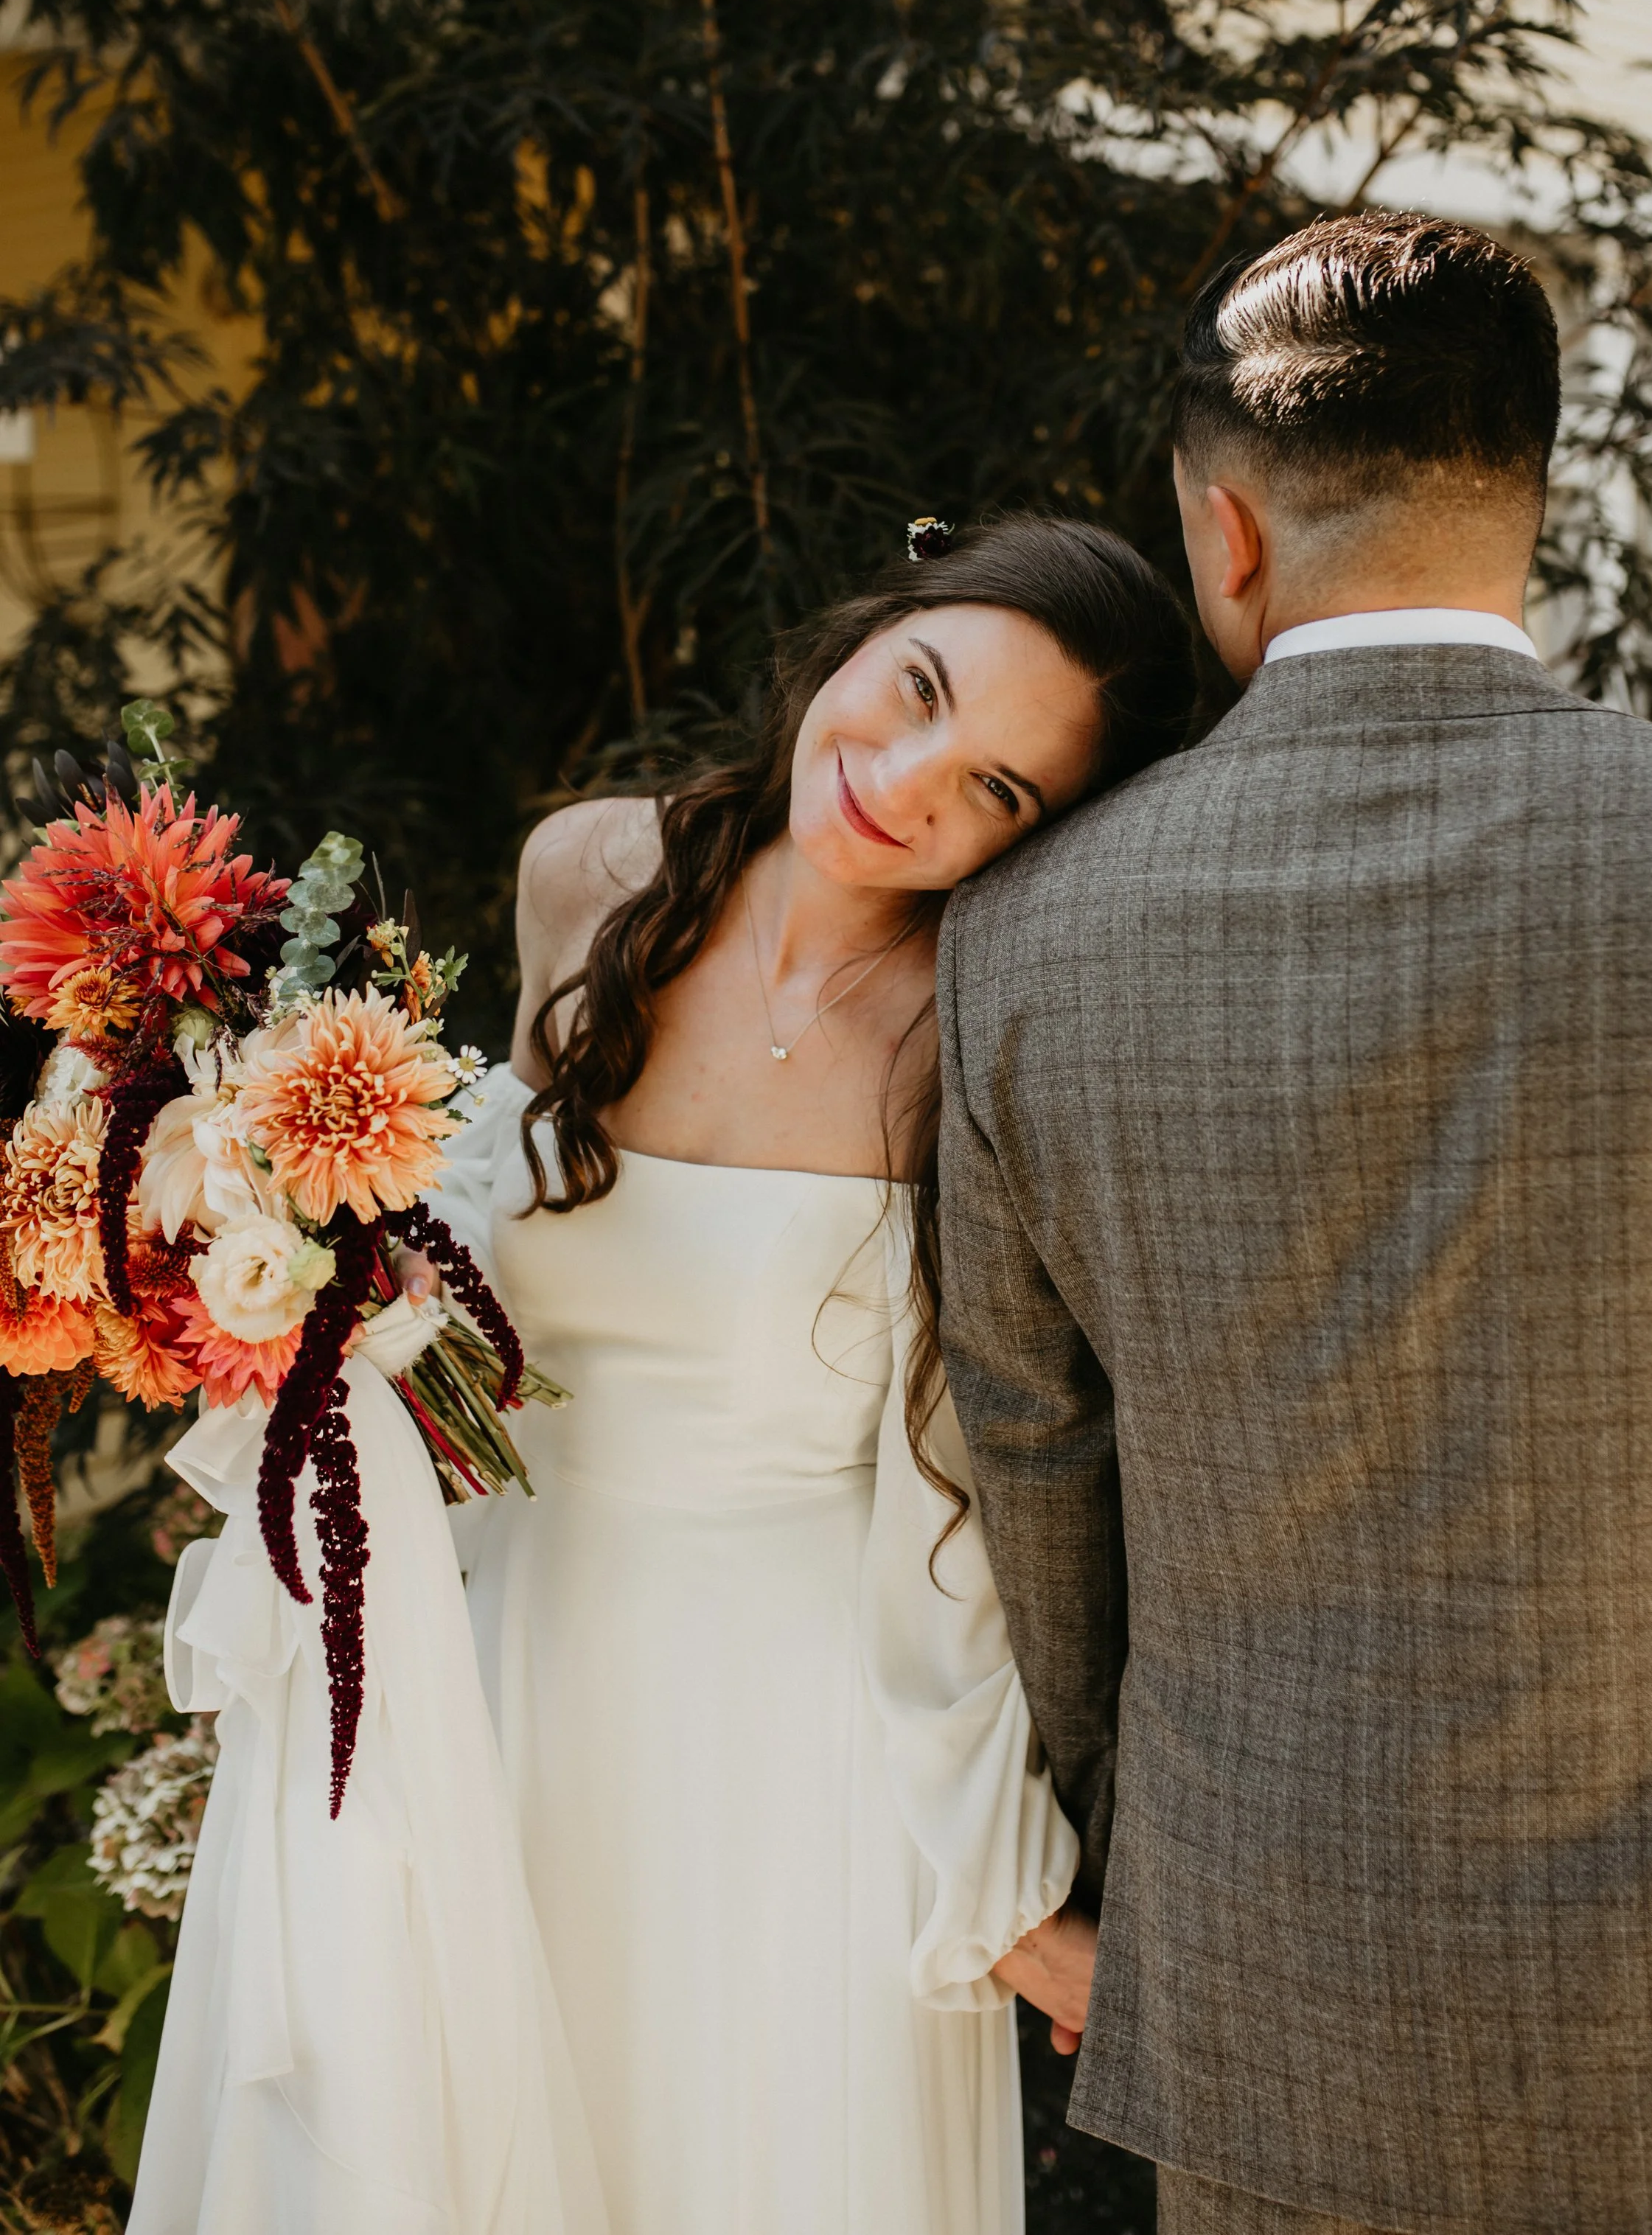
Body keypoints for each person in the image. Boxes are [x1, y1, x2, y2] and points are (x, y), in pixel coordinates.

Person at [937, 212, 1652, 2233]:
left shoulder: (1022, 937)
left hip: (1265, 1989)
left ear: (1223, 532)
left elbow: (1035, 1471)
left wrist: (1133, 1836)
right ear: (1521, 497)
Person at [420, 515, 1196, 2235]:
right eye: (915, 689)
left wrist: (996, 1879)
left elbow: (961, 1485)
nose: (904, 781)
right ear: (863, 630)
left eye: (994, 788)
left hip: (801, 1761)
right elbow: (461, 1289)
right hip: (499, 1678)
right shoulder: (582, 874)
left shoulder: (970, 1017)